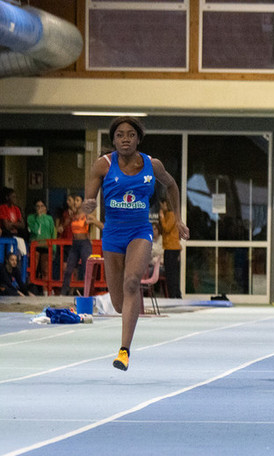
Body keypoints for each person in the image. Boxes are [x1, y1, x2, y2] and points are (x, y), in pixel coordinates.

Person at [83, 116, 189, 371]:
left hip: (140, 231)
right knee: (119, 304)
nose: (125, 139)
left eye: (131, 134)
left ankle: (124, 351)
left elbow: (172, 186)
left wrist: (179, 220)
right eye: (120, 135)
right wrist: (89, 203)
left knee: (132, 282)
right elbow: (89, 197)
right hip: (112, 234)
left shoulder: (152, 165)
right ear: (114, 140)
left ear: (138, 138)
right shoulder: (103, 165)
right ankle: (126, 320)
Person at [61, 195, 103, 295]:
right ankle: (63, 293)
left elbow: (101, 226)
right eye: (75, 200)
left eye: (77, 200)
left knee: (86, 269)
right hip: (75, 244)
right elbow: (63, 226)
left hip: (84, 243)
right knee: (68, 269)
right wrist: (63, 225)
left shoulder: (86, 215)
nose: (75, 202)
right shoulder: (73, 216)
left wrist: (94, 221)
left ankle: (87, 293)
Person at [158, 199, 182, 298]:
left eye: (162, 205)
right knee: (170, 273)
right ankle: (174, 294)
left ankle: (174, 294)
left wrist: (162, 217)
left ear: (166, 204)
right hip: (169, 247)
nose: (161, 208)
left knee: (172, 273)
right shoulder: (168, 214)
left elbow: (167, 228)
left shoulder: (171, 215)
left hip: (172, 248)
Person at [27, 199, 56, 281]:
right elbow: (34, 231)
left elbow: (52, 233)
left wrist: (53, 249)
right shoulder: (31, 218)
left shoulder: (49, 218)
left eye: (42, 206)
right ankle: (31, 287)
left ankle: (45, 291)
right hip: (35, 245)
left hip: (46, 246)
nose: (40, 208)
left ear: (45, 208)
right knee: (33, 268)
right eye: (38, 206)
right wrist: (38, 218)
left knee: (45, 270)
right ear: (35, 208)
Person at [0, 186, 27, 255]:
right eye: (13, 197)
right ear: (7, 197)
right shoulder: (3, 208)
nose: (15, 199)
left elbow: (22, 225)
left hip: (15, 235)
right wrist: (16, 224)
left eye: (15, 197)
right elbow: (6, 226)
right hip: (5, 235)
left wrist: (11, 223)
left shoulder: (16, 209)